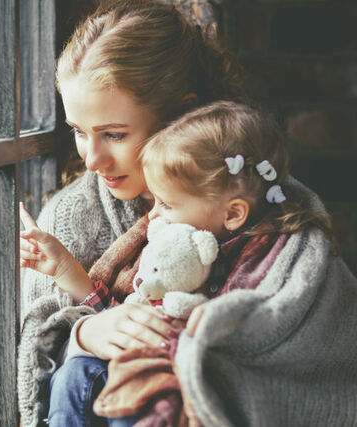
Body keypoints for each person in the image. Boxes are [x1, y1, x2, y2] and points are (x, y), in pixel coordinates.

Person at [22, 101, 345, 425]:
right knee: (73, 373)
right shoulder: (169, 244)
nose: (154, 215)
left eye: (166, 203)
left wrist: (186, 339)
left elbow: (263, 340)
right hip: (146, 362)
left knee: (143, 405)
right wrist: (66, 272)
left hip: (191, 385)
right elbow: (131, 314)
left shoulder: (274, 262)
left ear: (233, 213)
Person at [17, 0, 245, 425]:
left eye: (115, 134)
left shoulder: (253, 199)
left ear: (180, 114)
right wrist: (85, 334)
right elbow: (28, 361)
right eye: (79, 132)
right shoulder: (64, 219)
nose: (91, 159)